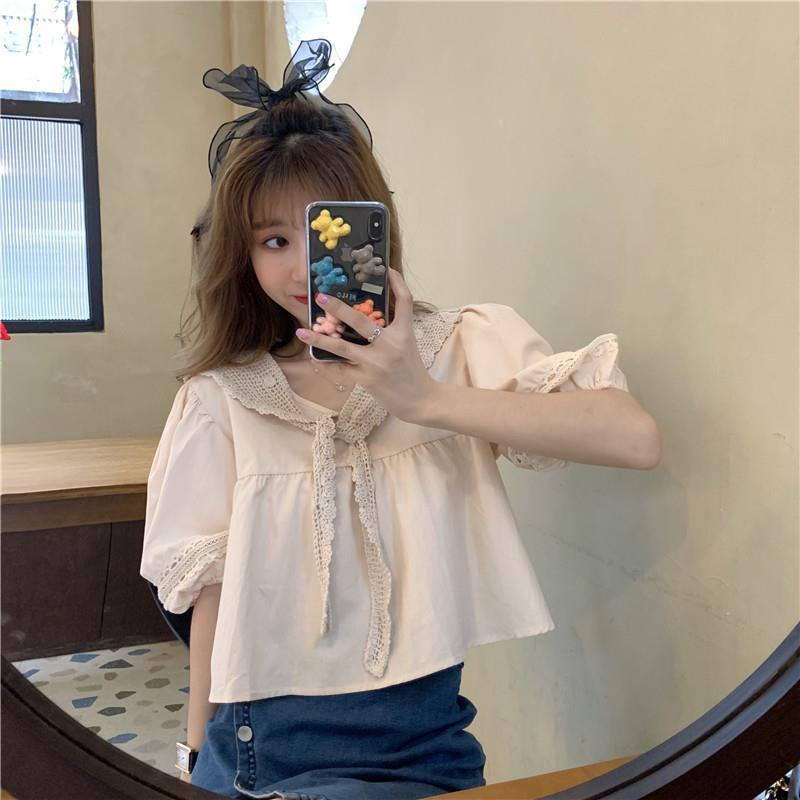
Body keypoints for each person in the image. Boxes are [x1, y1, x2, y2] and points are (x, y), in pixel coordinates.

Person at [140, 39, 651, 800]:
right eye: (273, 241)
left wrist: (424, 399)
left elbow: (635, 438)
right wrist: (191, 751)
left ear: (372, 228)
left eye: (324, 233)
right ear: (241, 257)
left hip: (424, 747)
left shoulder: (458, 348)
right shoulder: (223, 400)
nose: (300, 267)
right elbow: (215, 592)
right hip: (255, 750)